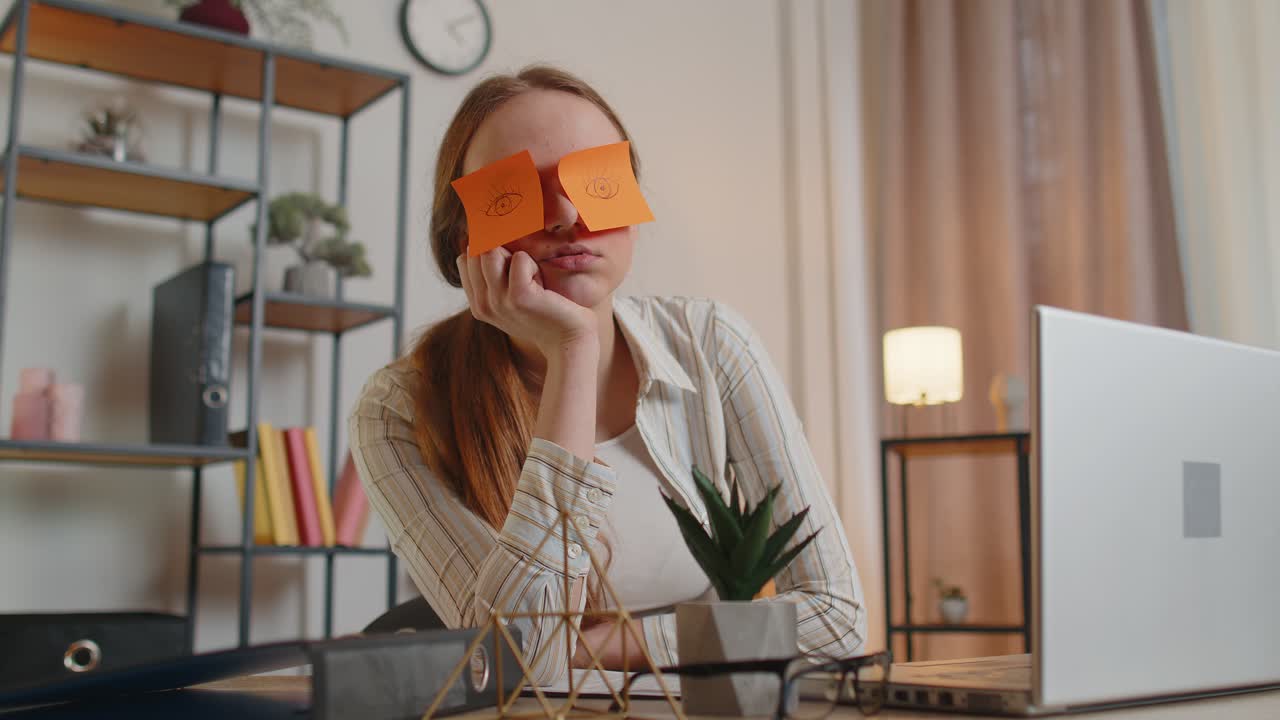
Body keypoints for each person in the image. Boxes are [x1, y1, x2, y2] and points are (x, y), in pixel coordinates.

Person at [349, 65, 866, 685]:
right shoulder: (399, 409)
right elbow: (520, 657)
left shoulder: (712, 345)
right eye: (517, 193)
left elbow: (834, 618)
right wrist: (571, 350)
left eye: (597, 180)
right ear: (466, 233)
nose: (567, 214)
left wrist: (613, 641)